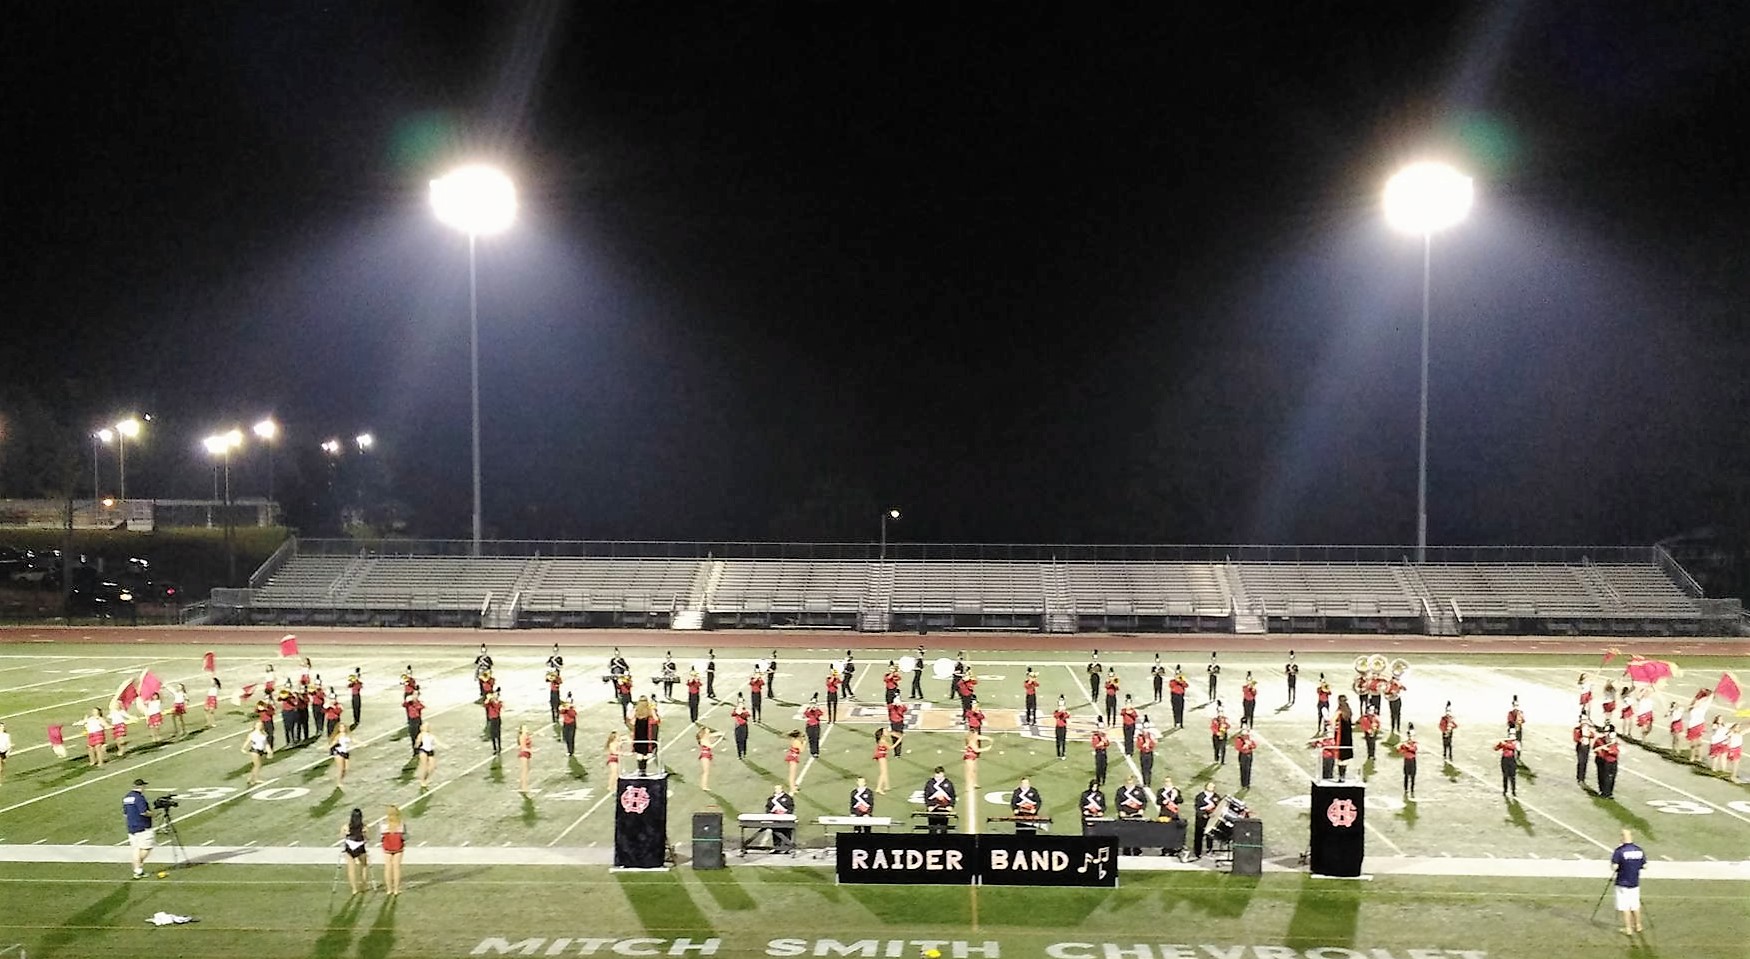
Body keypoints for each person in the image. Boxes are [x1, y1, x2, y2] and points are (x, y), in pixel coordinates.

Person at [1609, 829, 1646, 936]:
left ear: (1622, 837)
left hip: (1622, 882)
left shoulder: (1619, 851)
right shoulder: (1639, 850)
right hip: (1634, 882)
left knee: (1625, 906)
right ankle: (1638, 925)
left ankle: (1628, 928)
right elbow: (1645, 865)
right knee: (1635, 905)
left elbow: (1614, 866)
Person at [123, 778, 155, 879]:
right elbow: (143, 812)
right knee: (146, 847)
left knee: (136, 849)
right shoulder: (139, 798)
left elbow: (125, 813)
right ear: (141, 787)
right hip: (142, 826)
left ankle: (137, 869)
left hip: (131, 826)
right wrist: (153, 814)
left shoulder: (127, 797)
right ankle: (138, 867)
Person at [341, 807, 371, 894]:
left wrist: (346, 834)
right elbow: (368, 838)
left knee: (351, 869)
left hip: (349, 848)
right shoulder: (364, 827)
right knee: (364, 866)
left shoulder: (346, 827)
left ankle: (354, 889)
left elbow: (342, 836)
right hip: (360, 848)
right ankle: (363, 885)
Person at [381, 805, 406, 896]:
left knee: (387, 868)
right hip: (398, 847)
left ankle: (389, 889)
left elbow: (380, 836)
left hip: (387, 847)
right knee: (396, 868)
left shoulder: (383, 824)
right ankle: (396, 889)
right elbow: (405, 836)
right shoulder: (401, 824)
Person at [764, 784, 797, 851]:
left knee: (786, 832)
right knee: (776, 832)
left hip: (785, 819)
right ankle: (777, 847)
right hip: (775, 818)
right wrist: (771, 812)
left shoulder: (787, 798)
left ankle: (787, 847)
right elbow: (767, 808)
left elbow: (791, 807)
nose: (777, 790)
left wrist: (785, 812)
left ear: (782, 789)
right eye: (776, 789)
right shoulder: (771, 799)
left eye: (779, 789)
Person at [923, 767, 956, 833]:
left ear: (943, 774)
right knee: (932, 829)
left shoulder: (948, 783)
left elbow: (952, 796)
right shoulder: (930, 783)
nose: (938, 776)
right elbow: (926, 795)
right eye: (937, 774)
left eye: (940, 774)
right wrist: (929, 805)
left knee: (944, 829)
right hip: (933, 810)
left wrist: (951, 805)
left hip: (944, 810)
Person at [1192, 781, 1220, 860]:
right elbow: (1197, 808)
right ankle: (1197, 852)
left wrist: (1214, 814)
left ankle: (1209, 850)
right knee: (1199, 835)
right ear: (1206, 787)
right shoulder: (1200, 796)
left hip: (1211, 819)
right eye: (1209, 786)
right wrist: (1204, 814)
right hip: (1201, 820)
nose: (1211, 788)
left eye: (1213, 787)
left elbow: (1219, 807)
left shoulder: (1216, 796)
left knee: (1210, 835)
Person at [1594, 725, 1621, 798]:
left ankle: (1609, 793)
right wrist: (1600, 751)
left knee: (1611, 778)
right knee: (1603, 776)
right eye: (1604, 731)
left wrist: (1609, 749)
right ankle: (1603, 792)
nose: (1604, 733)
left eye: (1606, 732)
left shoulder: (1614, 741)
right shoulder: (1600, 740)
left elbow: (1616, 752)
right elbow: (1595, 748)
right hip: (1603, 761)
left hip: (1612, 760)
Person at [632, 696, 657, 772]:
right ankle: (644, 769)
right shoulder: (649, 710)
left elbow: (630, 718)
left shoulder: (636, 709)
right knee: (646, 752)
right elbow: (656, 719)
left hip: (638, 734)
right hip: (647, 733)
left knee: (639, 753)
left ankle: (640, 769)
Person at [243, 720, 272, 785]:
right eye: (258, 725)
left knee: (257, 765)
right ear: (255, 726)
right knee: (257, 765)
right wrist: (243, 748)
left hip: (261, 750)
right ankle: (255, 779)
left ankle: (250, 778)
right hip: (255, 750)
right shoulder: (252, 734)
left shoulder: (264, 734)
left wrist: (269, 750)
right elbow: (247, 741)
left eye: (261, 725)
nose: (260, 726)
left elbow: (266, 743)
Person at [873, 728, 902, 793]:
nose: (887, 731)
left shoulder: (883, 739)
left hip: (882, 755)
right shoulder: (883, 741)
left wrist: (894, 734)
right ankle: (878, 788)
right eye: (885, 731)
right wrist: (899, 740)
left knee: (885, 771)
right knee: (883, 772)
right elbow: (890, 747)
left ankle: (886, 786)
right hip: (881, 756)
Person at [1493, 731, 1520, 798]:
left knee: (1512, 776)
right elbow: (1495, 749)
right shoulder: (1504, 742)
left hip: (1512, 760)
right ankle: (1505, 790)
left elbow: (1516, 748)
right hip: (1505, 760)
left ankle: (1513, 790)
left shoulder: (1516, 743)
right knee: (1505, 776)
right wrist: (1499, 744)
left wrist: (1505, 744)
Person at [1396, 724, 1419, 798]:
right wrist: (1401, 747)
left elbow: (1414, 749)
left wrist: (1406, 747)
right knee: (1406, 775)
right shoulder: (1405, 743)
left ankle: (1412, 789)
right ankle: (1406, 789)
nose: (1411, 737)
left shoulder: (1414, 743)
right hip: (1406, 761)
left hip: (1412, 761)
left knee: (1413, 776)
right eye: (1410, 736)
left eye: (1412, 736)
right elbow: (1399, 751)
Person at [1234, 722, 1257, 789]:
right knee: (1243, 769)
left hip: (1249, 754)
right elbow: (1238, 747)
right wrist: (1244, 746)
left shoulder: (1249, 738)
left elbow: (1254, 745)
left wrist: (1250, 745)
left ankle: (1247, 783)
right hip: (1243, 755)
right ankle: (1243, 783)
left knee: (1248, 769)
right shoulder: (1239, 739)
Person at [1136, 716, 1158, 785]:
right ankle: (1144, 782)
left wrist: (1150, 744)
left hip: (1149, 753)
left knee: (1149, 769)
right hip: (1143, 753)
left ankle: (1148, 782)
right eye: (1145, 728)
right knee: (1143, 769)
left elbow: (1154, 745)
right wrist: (1143, 745)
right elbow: (1138, 745)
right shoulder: (1140, 736)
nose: (1146, 730)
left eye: (1147, 728)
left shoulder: (1151, 736)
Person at [1573, 714, 1594, 784]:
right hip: (1581, 747)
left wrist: (1589, 732)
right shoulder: (1577, 729)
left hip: (1586, 746)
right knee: (1581, 762)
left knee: (1585, 762)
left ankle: (1583, 777)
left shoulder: (1587, 728)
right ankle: (1580, 778)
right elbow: (1575, 738)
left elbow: (1592, 735)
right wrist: (1580, 739)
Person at [1090, 720, 1111, 787]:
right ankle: (1098, 780)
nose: (1101, 730)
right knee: (1099, 767)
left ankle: (1103, 780)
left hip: (1104, 751)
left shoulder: (1104, 736)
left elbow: (1108, 744)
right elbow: (1094, 745)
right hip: (1098, 752)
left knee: (1104, 766)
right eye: (1100, 728)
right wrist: (1100, 744)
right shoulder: (1095, 736)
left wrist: (1105, 742)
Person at [484, 690, 504, 755]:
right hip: (492, 719)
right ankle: (495, 748)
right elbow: (485, 703)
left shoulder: (499, 703)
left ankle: (499, 747)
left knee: (498, 734)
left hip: (497, 719)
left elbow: (498, 707)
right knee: (492, 734)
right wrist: (488, 698)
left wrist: (492, 701)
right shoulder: (490, 702)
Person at [731, 695, 751, 759]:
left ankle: (744, 752)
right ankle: (739, 754)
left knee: (744, 740)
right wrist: (737, 710)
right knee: (738, 740)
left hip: (743, 726)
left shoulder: (745, 710)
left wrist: (741, 713)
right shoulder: (736, 709)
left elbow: (748, 715)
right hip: (737, 726)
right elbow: (732, 714)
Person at [517, 725, 535, 792]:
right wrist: (530, 750)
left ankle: (524, 786)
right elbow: (523, 747)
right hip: (523, 754)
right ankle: (524, 787)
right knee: (524, 771)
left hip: (527, 754)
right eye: (525, 728)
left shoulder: (527, 736)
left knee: (527, 771)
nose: (527, 729)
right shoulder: (522, 736)